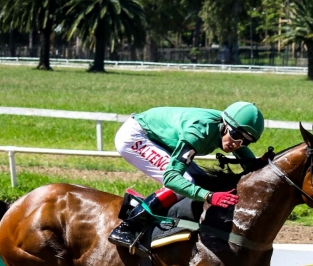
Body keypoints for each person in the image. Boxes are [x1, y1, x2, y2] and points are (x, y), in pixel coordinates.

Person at [109, 102, 267, 250]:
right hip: (135, 137)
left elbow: (247, 160)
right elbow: (171, 178)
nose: (237, 144)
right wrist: (209, 196)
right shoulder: (198, 131)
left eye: (246, 141)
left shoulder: (228, 132)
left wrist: (262, 166)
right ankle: (129, 225)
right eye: (235, 135)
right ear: (225, 125)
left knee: (201, 180)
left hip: (159, 138)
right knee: (186, 181)